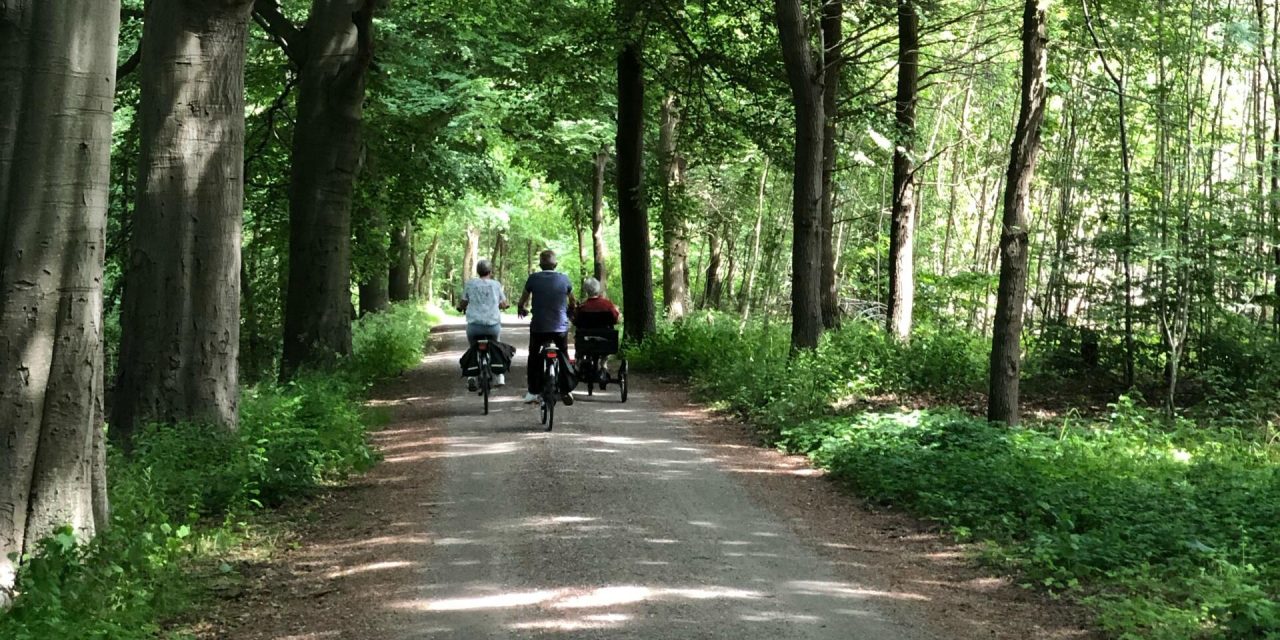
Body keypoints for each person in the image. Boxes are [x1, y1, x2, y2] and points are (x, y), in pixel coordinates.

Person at [517, 250, 577, 404]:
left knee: (534, 356)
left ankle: (532, 391)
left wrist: (521, 309)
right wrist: (571, 312)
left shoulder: (533, 279)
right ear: (555, 265)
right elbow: (573, 301)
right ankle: (567, 389)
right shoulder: (564, 279)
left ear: (540, 265)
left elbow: (522, 300)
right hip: (560, 328)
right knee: (563, 355)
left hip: (539, 327)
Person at [459, 259, 508, 390]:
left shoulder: (470, 284)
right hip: (492, 325)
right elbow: (504, 303)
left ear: (477, 271)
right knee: (496, 346)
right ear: (490, 272)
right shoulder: (496, 285)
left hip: (474, 325)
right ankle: (500, 376)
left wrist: (460, 307)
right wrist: (505, 305)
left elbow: (463, 302)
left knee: (472, 347)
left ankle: (471, 377)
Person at [573, 277, 621, 381]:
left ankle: (579, 362)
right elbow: (616, 319)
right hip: (605, 340)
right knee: (605, 342)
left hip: (586, 340)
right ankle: (603, 364)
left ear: (586, 290)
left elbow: (576, 322)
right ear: (598, 289)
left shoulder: (582, 307)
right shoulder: (608, 305)